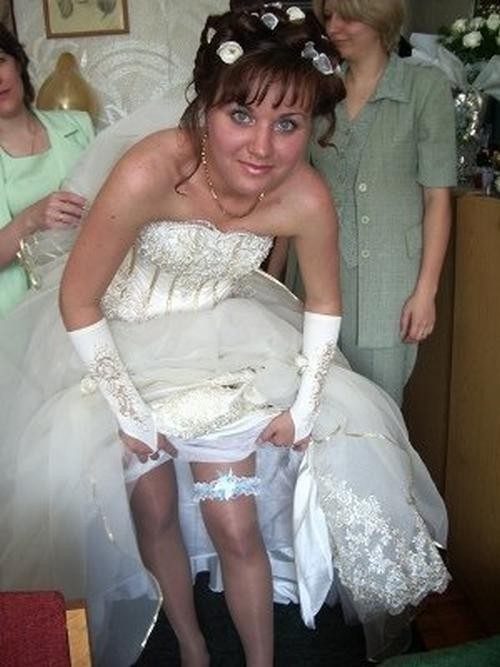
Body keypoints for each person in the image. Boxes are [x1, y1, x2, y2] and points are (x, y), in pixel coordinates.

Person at [0, 6, 449, 666]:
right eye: (241, 115)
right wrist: (128, 411)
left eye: (288, 123)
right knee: (153, 508)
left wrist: (304, 408)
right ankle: (191, 645)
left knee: (235, 524)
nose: (262, 147)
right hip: (119, 345)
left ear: (311, 125)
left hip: (224, 342)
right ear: (206, 106)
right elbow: (79, 297)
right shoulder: (152, 169)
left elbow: (324, 304)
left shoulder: (304, 196)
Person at [282, 0, 456, 406]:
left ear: (379, 18)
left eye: (349, 16)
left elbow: (437, 198)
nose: (334, 27)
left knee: (377, 407)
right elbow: (292, 189)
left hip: (387, 287)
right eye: (329, 16)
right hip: (313, 276)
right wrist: (274, 283)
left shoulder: (423, 88)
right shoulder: (319, 88)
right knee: (308, 401)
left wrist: (425, 292)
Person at [0, 23, 93, 316]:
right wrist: (31, 219)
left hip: (86, 294)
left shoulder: (79, 126)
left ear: (17, 63)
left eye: (0, 61)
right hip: (14, 314)